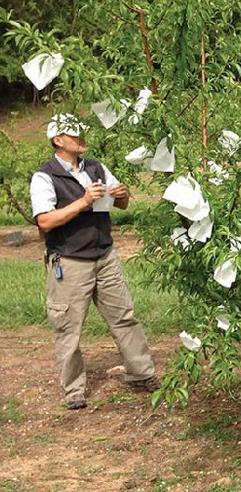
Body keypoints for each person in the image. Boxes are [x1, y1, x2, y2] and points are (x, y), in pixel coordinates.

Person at [30, 114, 158, 410]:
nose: (82, 137)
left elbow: (121, 203)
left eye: (82, 132)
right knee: (69, 328)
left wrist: (123, 194)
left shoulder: (96, 168)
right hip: (71, 261)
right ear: (58, 140)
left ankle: (141, 373)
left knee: (124, 317)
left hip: (105, 256)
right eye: (74, 134)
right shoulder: (45, 176)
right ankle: (74, 390)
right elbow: (45, 221)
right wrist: (84, 201)